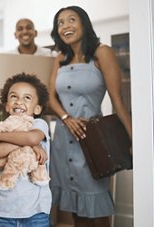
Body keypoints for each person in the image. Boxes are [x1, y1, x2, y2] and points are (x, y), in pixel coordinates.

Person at [48, 6, 132, 227]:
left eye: (71, 20)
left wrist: (133, 139)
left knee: (97, 211)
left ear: (84, 23)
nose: (65, 26)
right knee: (75, 208)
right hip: (63, 141)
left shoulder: (102, 52)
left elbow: (118, 101)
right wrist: (66, 117)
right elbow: (50, 98)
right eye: (60, 22)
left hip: (91, 140)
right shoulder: (60, 59)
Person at [0, 73, 51, 227]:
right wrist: (26, 142)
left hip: (36, 210)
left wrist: (0, 138)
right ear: (7, 105)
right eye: (14, 96)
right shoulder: (2, 127)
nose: (19, 101)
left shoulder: (39, 124)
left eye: (27, 98)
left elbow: (33, 138)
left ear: (38, 108)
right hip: (4, 209)